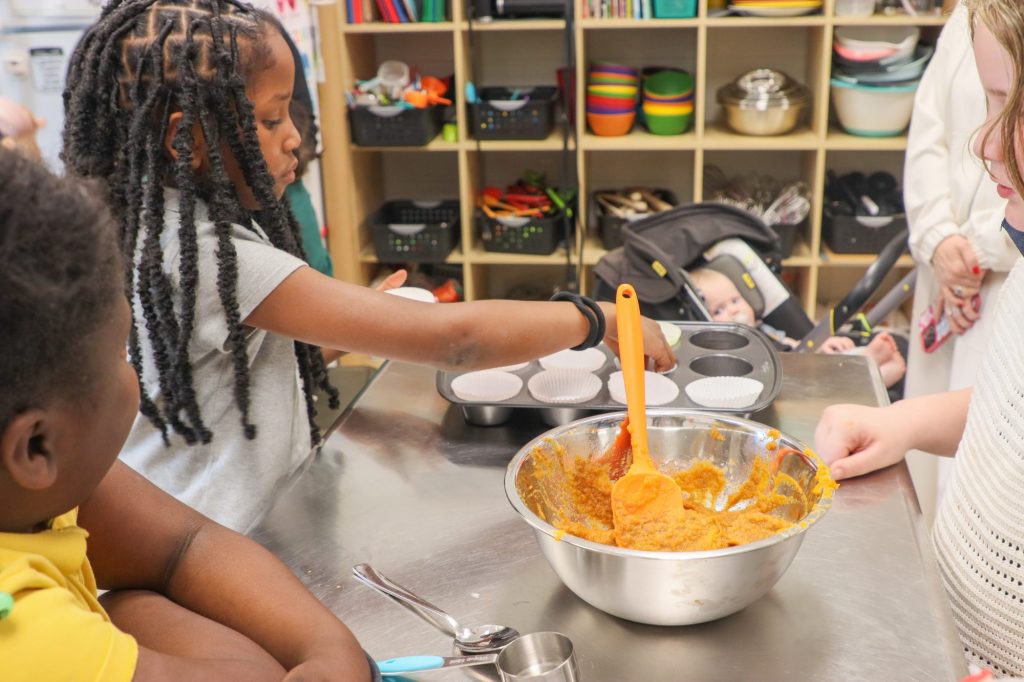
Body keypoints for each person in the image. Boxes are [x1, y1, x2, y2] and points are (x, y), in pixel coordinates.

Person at [61, 0, 674, 533]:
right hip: (216, 538)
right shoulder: (206, 254)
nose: (295, 137)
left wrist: (357, 317)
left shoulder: (152, 223)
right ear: (182, 140)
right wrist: (594, 319)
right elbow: (456, 341)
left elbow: (214, 368)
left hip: (217, 520)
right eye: (271, 120)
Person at [0, 148, 372, 681]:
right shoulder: (27, 639)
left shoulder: (29, 490)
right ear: (36, 447)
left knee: (135, 607)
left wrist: (330, 649)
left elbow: (186, 546)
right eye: (122, 355)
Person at [815, 1, 1024, 674]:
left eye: (1010, 106)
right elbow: (1007, 413)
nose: (984, 143)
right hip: (959, 644)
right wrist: (901, 422)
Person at [903, 1, 1014, 503]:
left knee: (984, 467)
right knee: (922, 462)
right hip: (946, 269)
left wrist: (980, 249)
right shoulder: (974, 14)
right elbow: (928, 134)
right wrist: (938, 238)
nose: (985, 144)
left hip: (1000, 274)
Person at [688, 267, 906, 388]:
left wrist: (820, 344)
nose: (734, 311)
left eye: (735, 301)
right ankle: (869, 364)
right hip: (789, 380)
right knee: (836, 376)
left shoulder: (762, 328)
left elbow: (792, 344)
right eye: (719, 311)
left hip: (801, 362)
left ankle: (871, 368)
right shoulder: (728, 353)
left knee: (834, 358)